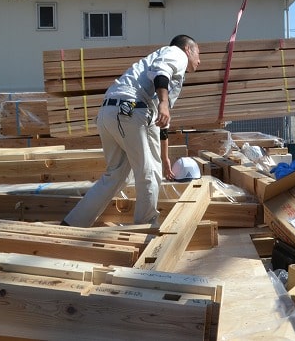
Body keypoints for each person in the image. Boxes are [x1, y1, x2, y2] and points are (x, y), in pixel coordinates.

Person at [61, 34, 201, 227]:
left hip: (110, 112)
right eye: (198, 54)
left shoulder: (168, 75)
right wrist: (164, 103)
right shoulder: (177, 53)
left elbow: (162, 122)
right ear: (188, 49)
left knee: (116, 176)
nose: (199, 61)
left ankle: (73, 223)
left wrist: (165, 156)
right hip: (131, 110)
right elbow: (162, 72)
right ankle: (146, 226)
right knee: (150, 173)